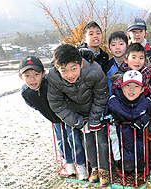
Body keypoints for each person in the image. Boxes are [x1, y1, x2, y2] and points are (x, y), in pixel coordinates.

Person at [47, 44, 110, 187]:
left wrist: (94, 117)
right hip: (78, 114)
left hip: (97, 110)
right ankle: (94, 167)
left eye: (73, 69)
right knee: (87, 143)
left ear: (81, 63)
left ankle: (104, 169)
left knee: (102, 140)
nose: (70, 75)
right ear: (57, 69)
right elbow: (57, 103)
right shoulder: (54, 77)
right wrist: (77, 121)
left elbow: (101, 95)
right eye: (63, 70)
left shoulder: (94, 70)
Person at [18, 56, 87, 180]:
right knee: (61, 141)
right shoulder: (25, 92)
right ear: (20, 77)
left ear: (44, 73)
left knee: (74, 139)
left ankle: (81, 164)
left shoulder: (52, 83)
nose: (32, 79)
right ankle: (69, 163)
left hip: (68, 116)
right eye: (27, 76)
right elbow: (33, 105)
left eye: (36, 74)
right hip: (54, 119)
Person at [103, 70, 151, 177]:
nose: (131, 89)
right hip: (121, 141)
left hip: (139, 142)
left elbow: (149, 113)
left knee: (138, 164)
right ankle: (120, 166)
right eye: (128, 85)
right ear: (121, 86)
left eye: (136, 86)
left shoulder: (146, 102)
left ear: (142, 89)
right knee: (124, 163)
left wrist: (142, 121)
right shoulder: (114, 101)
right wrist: (112, 118)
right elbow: (104, 115)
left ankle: (139, 168)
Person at [106, 31, 128, 96]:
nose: (117, 47)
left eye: (121, 44)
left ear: (127, 46)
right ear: (109, 49)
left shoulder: (134, 64)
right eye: (113, 45)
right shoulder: (107, 67)